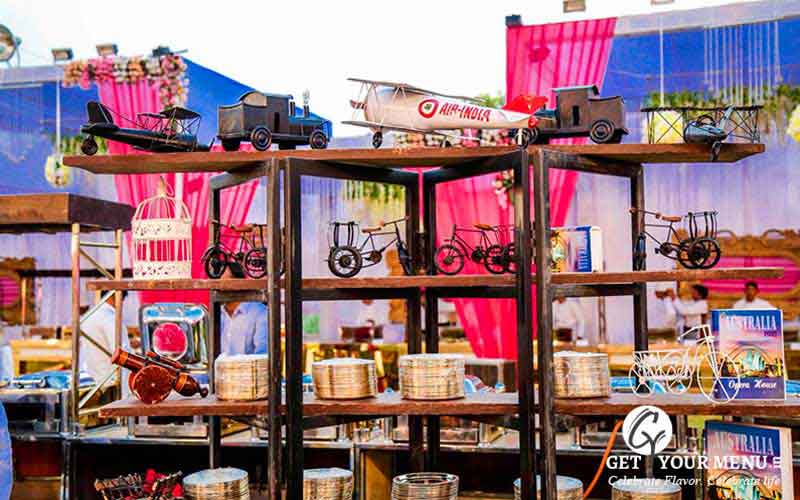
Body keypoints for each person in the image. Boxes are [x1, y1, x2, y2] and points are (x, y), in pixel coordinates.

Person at [80, 291, 129, 384]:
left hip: (92, 377)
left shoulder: (90, 315)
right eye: (122, 300)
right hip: (110, 380)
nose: (122, 304)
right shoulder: (111, 318)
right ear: (115, 296)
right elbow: (122, 353)